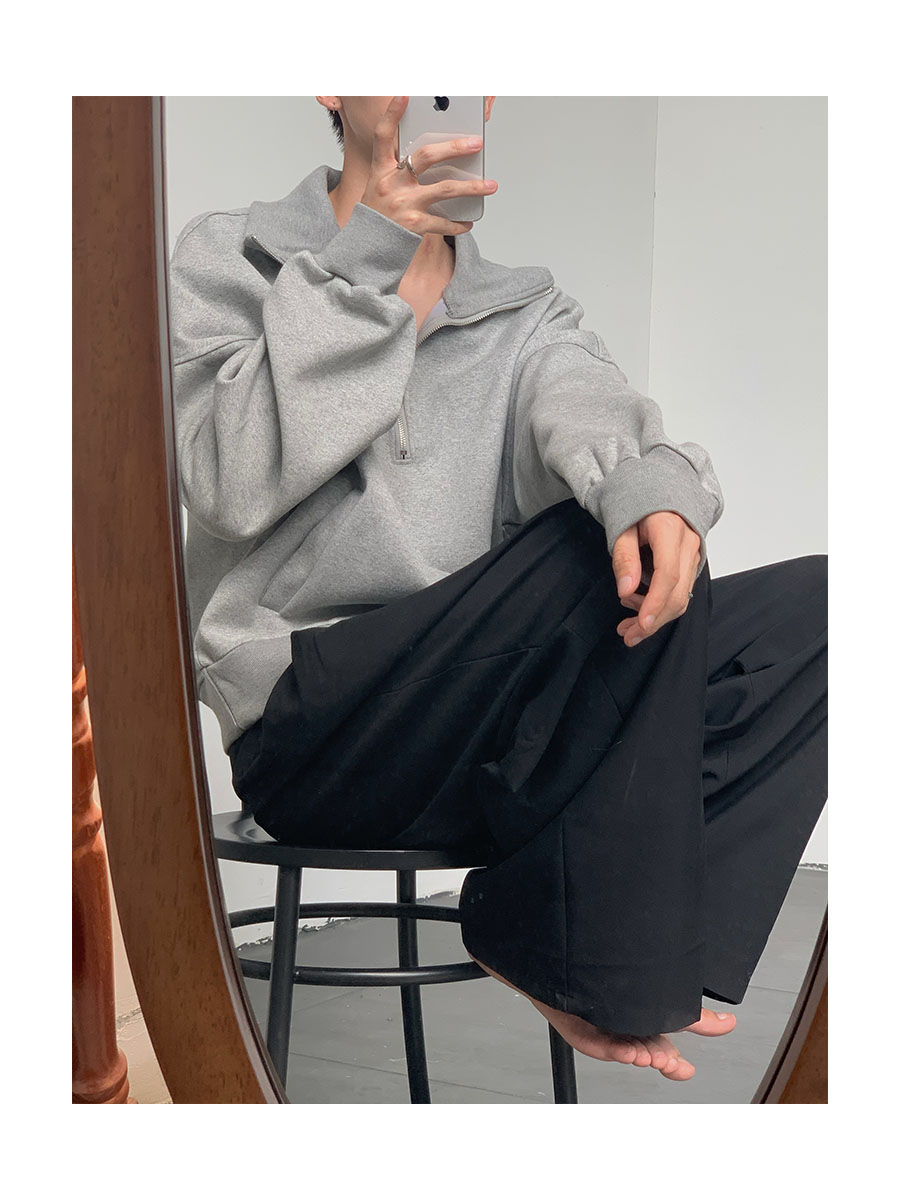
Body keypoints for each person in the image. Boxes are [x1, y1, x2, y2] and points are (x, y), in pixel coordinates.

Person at [168, 96, 827, 1084]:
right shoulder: (233, 260)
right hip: (310, 726)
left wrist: (653, 493)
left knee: (820, 611)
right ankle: (588, 943)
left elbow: (589, 406)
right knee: (581, 557)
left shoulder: (524, 312)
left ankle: (555, 922)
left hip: (481, 737)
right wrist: (369, 257)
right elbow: (226, 480)